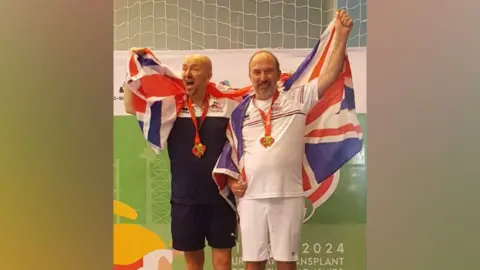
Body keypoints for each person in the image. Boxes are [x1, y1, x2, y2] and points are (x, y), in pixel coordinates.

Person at [213, 9, 358, 270]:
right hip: (251, 198)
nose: (262, 77)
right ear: (250, 77)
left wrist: (342, 35)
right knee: (253, 264)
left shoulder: (297, 99)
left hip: (288, 195)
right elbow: (230, 151)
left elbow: (330, 74)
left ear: (279, 74)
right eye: (257, 72)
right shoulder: (239, 112)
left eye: (268, 71)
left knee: (286, 264)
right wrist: (233, 180)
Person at [123, 54, 245, 270]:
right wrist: (132, 70)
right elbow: (132, 108)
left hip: (221, 198)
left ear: (209, 75)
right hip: (185, 199)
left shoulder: (227, 105)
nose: (188, 73)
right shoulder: (171, 106)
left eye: (195, 69)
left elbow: (257, 101)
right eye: (185, 68)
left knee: (223, 262)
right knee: (193, 263)